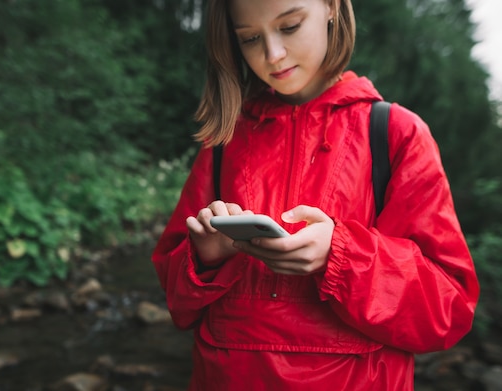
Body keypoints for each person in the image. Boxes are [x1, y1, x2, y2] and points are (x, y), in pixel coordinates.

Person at [151, 0, 480, 389]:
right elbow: (177, 302)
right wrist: (206, 257)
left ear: (331, 8)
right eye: (251, 38)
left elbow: (449, 309)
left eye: (289, 26)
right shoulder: (224, 140)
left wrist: (341, 255)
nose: (272, 54)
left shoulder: (395, 134)